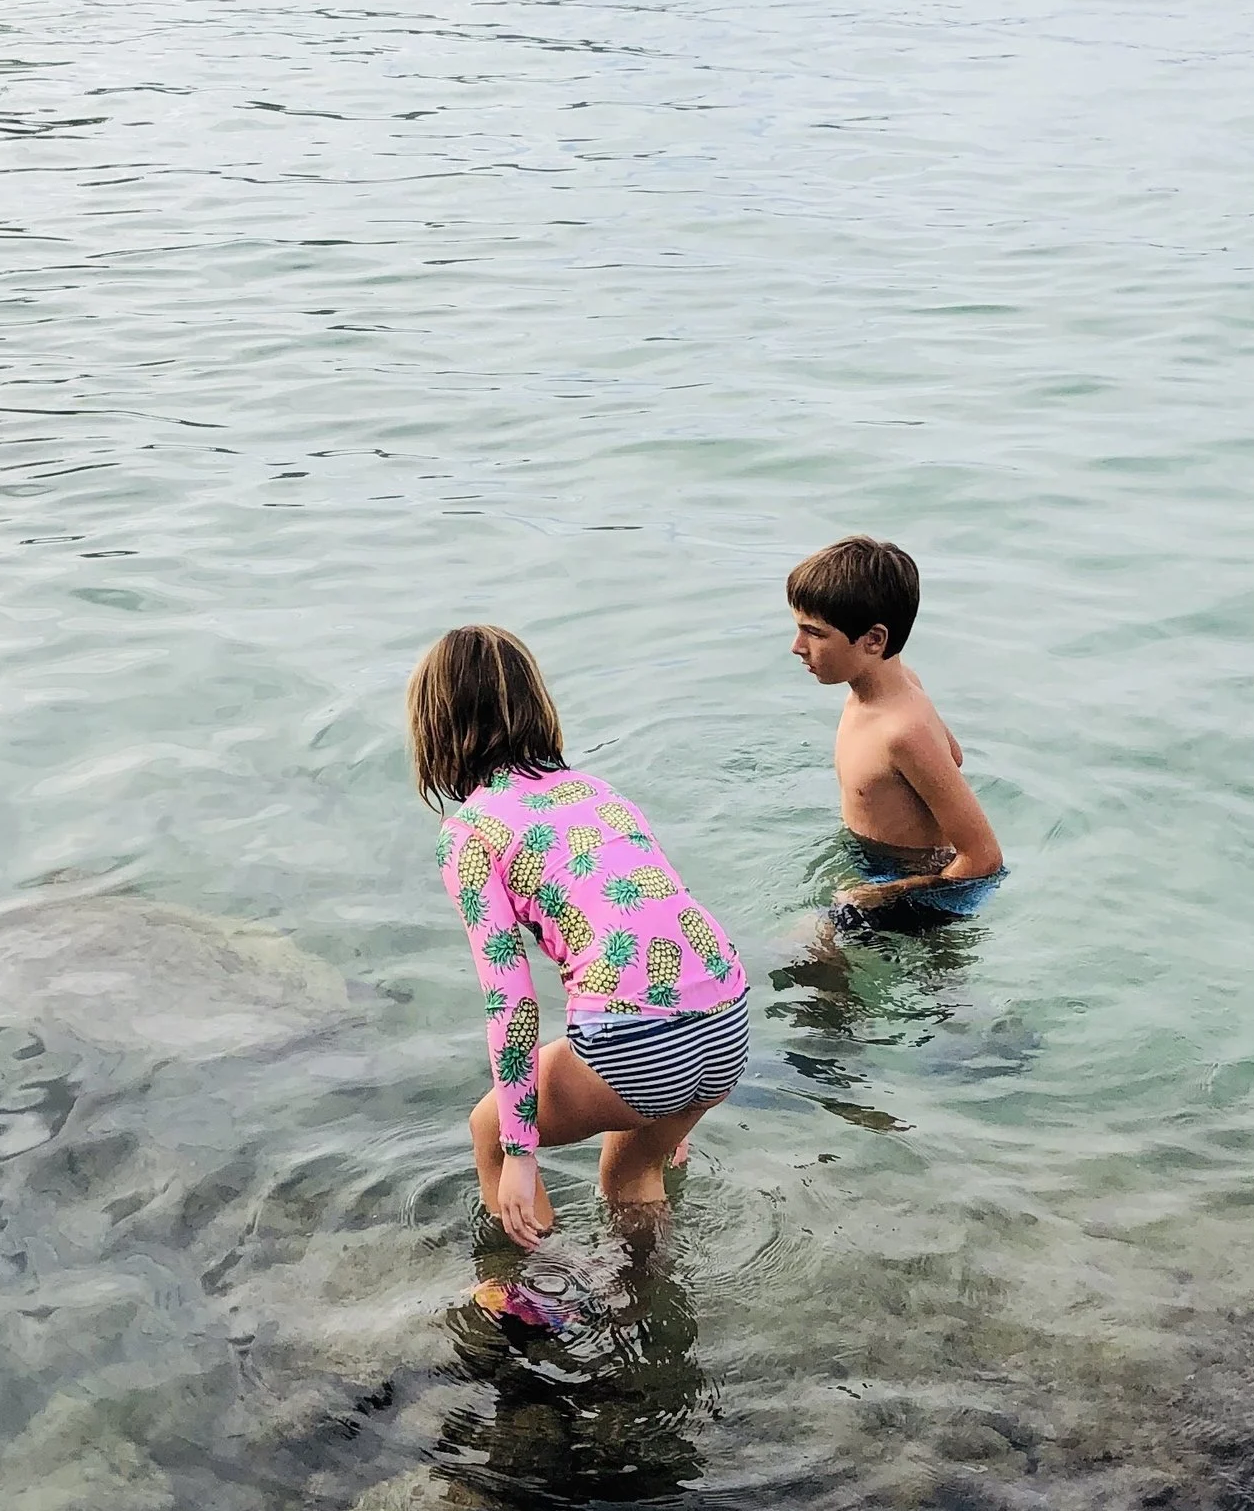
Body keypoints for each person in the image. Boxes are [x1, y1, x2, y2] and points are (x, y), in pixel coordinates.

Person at [409, 626, 750, 1252]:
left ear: (436, 727)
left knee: (489, 1128)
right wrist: (680, 1092)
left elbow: (509, 1002)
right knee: (629, 1174)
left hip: (642, 1044)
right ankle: (645, 1300)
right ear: (538, 706)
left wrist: (519, 1151)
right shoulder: (597, 792)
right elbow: (658, 914)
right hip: (726, 1023)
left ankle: (530, 1310)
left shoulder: (471, 834)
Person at [787, 536, 1005, 929]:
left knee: (803, 957)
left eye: (814, 633)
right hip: (873, 865)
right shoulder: (899, 688)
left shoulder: (901, 731)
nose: (797, 646)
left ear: (873, 640)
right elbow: (952, 756)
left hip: (906, 886)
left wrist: (885, 894)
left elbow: (984, 857)